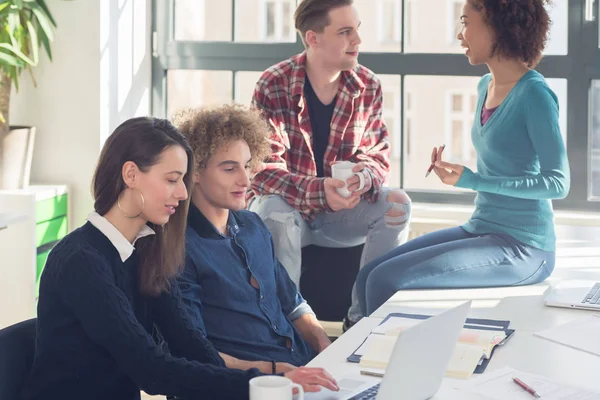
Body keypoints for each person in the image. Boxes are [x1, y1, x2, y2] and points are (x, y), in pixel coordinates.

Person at [21, 117, 338, 400]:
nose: (183, 194)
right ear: (131, 174)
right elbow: (151, 370)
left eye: (183, 181)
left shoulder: (146, 251)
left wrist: (274, 379)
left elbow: (193, 349)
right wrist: (258, 383)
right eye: (172, 179)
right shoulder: (81, 260)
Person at [356, 0, 570, 317]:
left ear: (498, 25)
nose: (460, 34)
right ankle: (355, 353)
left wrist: (473, 180)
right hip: (482, 227)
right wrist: (459, 172)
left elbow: (558, 183)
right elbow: (505, 160)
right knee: (367, 276)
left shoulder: (534, 94)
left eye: (466, 22)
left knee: (385, 281)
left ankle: (370, 360)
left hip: (525, 247)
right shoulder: (486, 85)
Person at [248, 0, 412, 329]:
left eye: (357, 29)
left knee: (398, 205)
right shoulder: (273, 85)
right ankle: (289, 327)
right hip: (290, 213)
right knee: (273, 210)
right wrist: (321, 191)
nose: (357, 40)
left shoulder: (368, 86)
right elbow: (263, 171)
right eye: (345, 31)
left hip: (342, 216)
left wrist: (363, 180)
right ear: (313, 38)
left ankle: (364, 320)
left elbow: (378, 153)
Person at [173, 105, 332, 374]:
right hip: (252, 384)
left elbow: (292, 303)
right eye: (229, 169)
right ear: (195, 171)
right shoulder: (179, 248)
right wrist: (274, 370)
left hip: (304, 369)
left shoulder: (253, 226)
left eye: (246, 166)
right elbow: (193, 351)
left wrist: (326, 348)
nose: (246, 180)